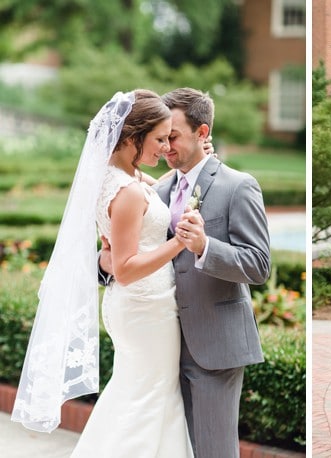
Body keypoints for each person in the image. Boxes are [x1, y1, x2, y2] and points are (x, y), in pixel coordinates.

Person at [12, 90, 196, 457]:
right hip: (145, 308)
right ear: (132, 138)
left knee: (139, 393)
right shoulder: (126, 191)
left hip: (143, 307)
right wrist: (179, 243)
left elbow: (129, 236)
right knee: (149, 396)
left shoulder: (124, 178)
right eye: (159, 138)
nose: (165, 147)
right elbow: (125, 270)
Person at [129, 87, 271, 458]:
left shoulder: (238, 186)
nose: (165, 147)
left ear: (202, 133)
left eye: (172, 136)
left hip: (215, 346)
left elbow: (258, 265)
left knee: (214, 451)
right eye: (161, 137)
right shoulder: (159, 191)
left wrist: (205, 247)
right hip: (163, 345)